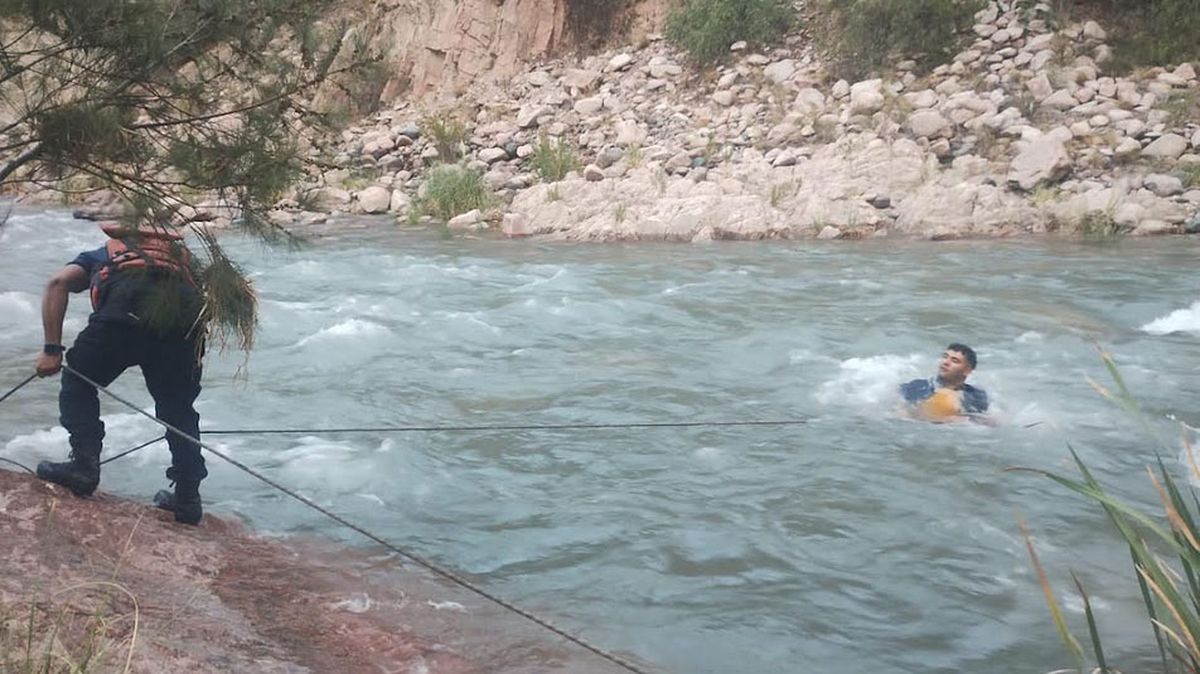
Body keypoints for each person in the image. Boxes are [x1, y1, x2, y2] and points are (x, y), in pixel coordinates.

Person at [34, 221, 208, 524]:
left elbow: (57, 283)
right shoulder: (185, 265)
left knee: (79, 382)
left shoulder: (103, 254)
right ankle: (188, 498)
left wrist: (52, 350)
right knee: (179, 411)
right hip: (180, 331)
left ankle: (84, 468)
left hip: (120, 323)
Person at [899, 343, 989, 423]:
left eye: (954, 361)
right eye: (945, 357)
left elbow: (986, 420)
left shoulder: (977, 395)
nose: (946, 362)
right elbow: (902, 414)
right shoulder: (918, 387)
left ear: (967, 370)